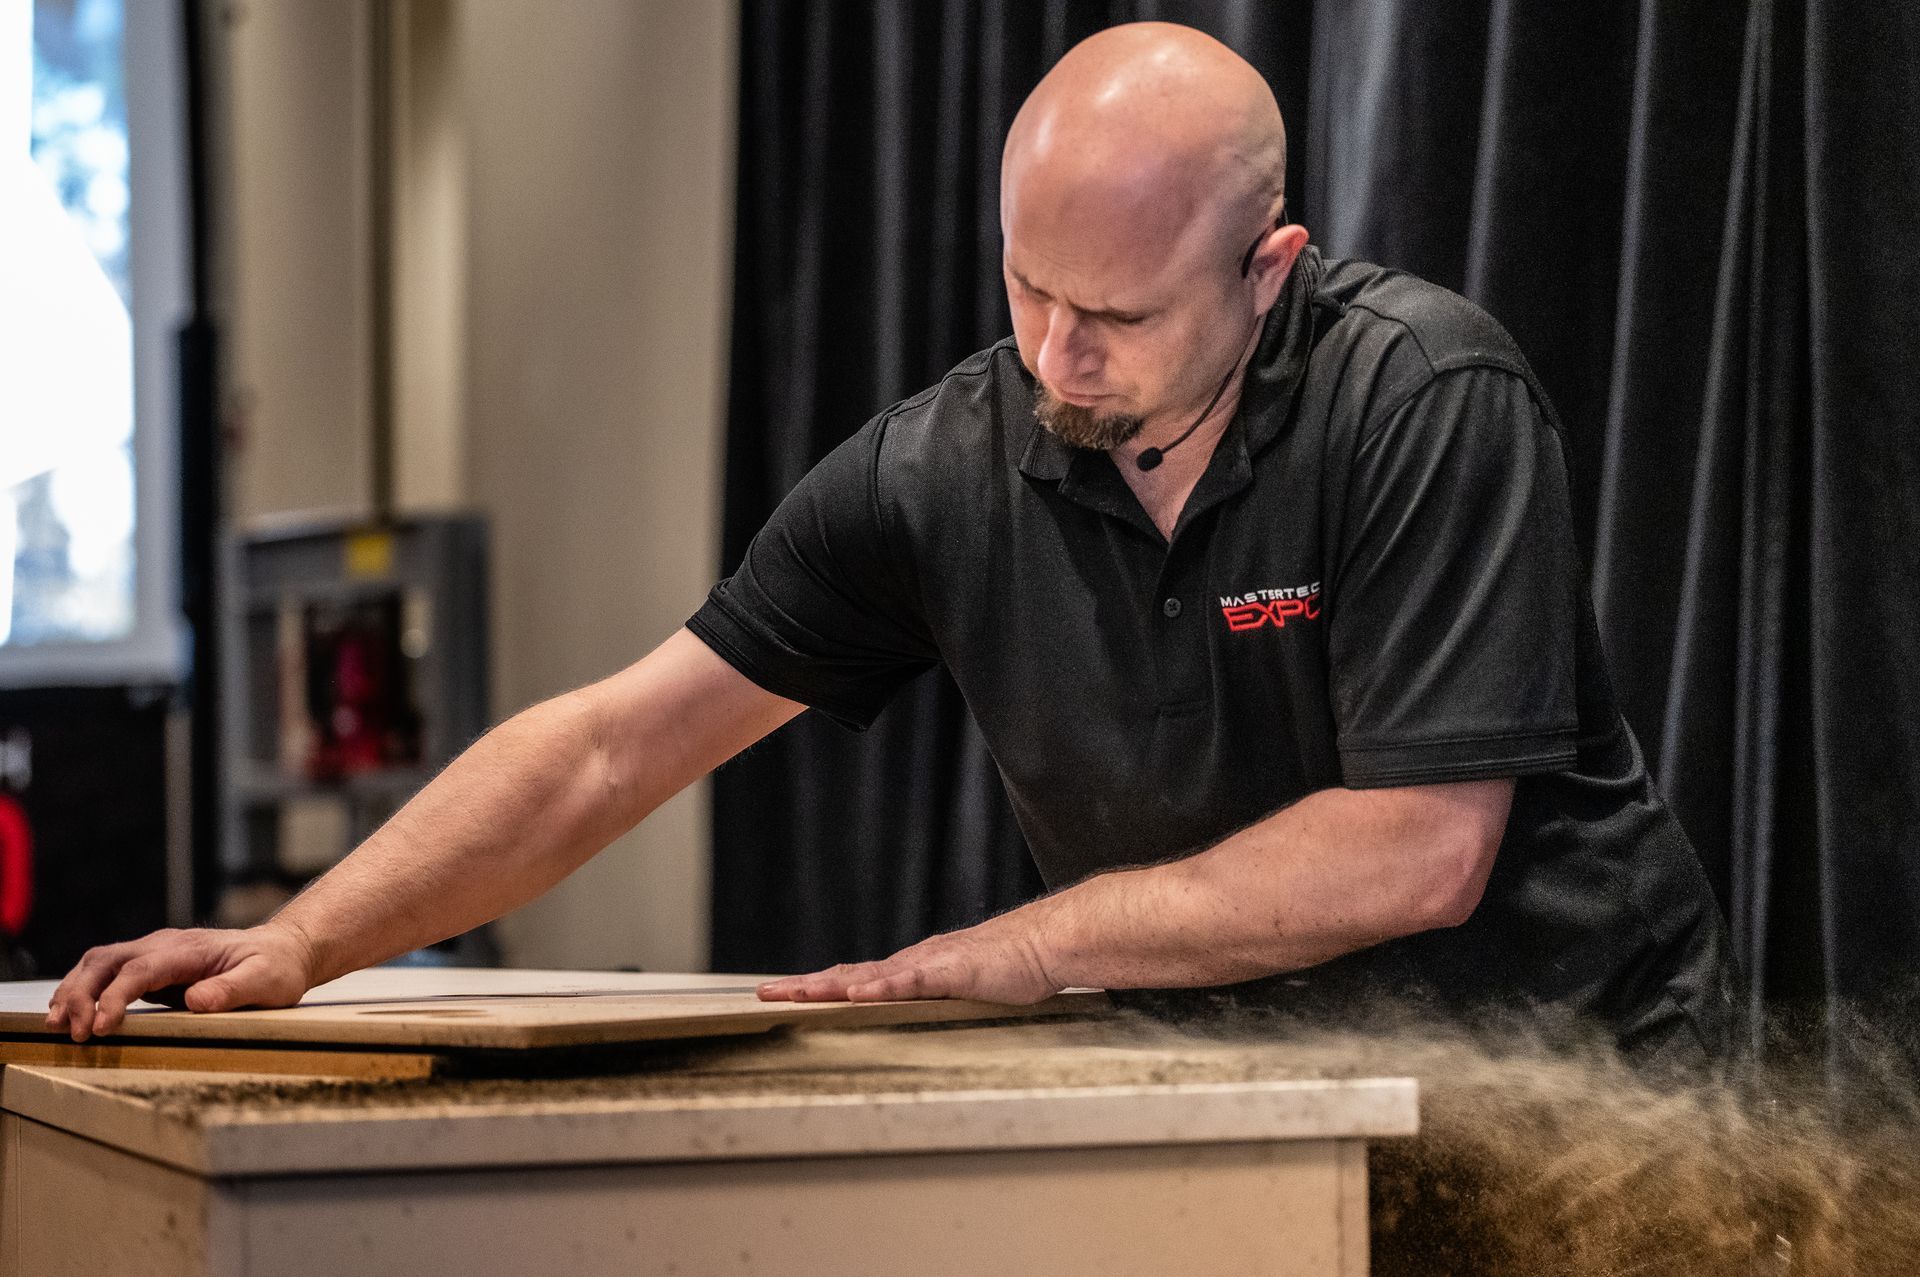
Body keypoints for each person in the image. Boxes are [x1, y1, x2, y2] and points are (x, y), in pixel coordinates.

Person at [47, 22, 1733, 1069]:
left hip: (1577, 1061)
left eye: (1121, 316)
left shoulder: (1426, 397)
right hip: (1272, 1076)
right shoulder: (944, 462)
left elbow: (1416, 850)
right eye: (1027, 288)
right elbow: (623, 739)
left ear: (1271, 268)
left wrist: (1027, 949)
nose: (1058, 359)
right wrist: (315, 938)